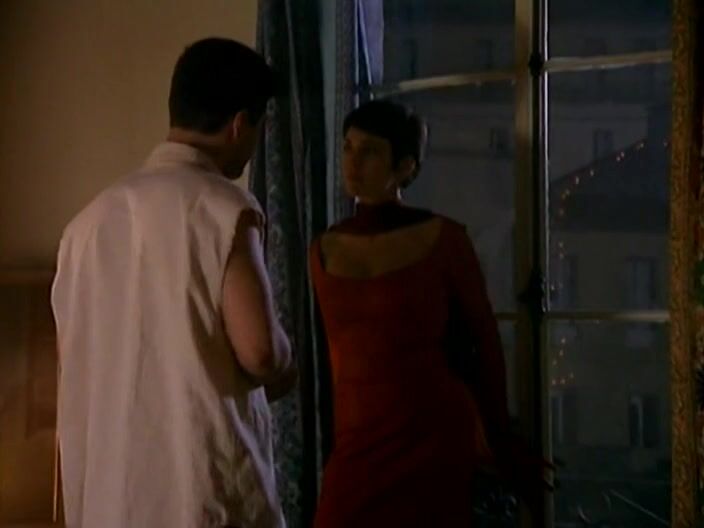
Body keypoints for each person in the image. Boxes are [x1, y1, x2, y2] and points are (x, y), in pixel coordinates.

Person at [52, 38, 296, 528]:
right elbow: (261, 352)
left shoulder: (84, 227)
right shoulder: (224, 208)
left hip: (110, 500)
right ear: (239, 125)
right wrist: (288, 362)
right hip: (199, 495)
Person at [310, 100, 552, 527]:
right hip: (358, 437)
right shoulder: (323, 248)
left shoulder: (444, 239)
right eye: (348, 147)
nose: (353, 162)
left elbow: (484, 340)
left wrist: (498, 435)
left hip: (430, 429)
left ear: (404, 167)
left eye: (370, 151)